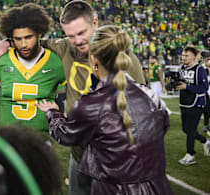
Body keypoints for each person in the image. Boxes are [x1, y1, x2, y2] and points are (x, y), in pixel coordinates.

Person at [0, 0, 145, 195]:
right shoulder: (64, 48)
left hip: (114, 157)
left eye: (81, 33)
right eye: (71, 35)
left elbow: (143, 111)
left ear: (95, 23)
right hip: (79, 155)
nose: (77, 40)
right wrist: (7, 42)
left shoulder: (124, 58)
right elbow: (31, 41)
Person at [36, 25, 172, 195]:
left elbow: (65, 135)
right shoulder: (151, 95)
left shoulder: (92, 104)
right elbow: (163, 126)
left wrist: (52, 112)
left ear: (93, 59)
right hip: (159, 188)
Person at [0, 3, 66, 131]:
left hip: (41, 142)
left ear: (39, 34)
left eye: (28, 37)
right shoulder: (0, 61)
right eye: (18, 39)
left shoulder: (56, 61)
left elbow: (69, 99)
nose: (23, 44)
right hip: (8, 142)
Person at [176, 46, 210, 165]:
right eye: (183, 55)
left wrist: (187, 87)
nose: (183, 57)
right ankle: (205, 141)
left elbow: (204, 88)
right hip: (184, 102)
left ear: (194, 57)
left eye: (186, 55)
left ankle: (190, 154)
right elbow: (182, 83)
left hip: (197, 103)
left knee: (190, 129)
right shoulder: (182, 68)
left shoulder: (200, 69)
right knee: (185, 129)